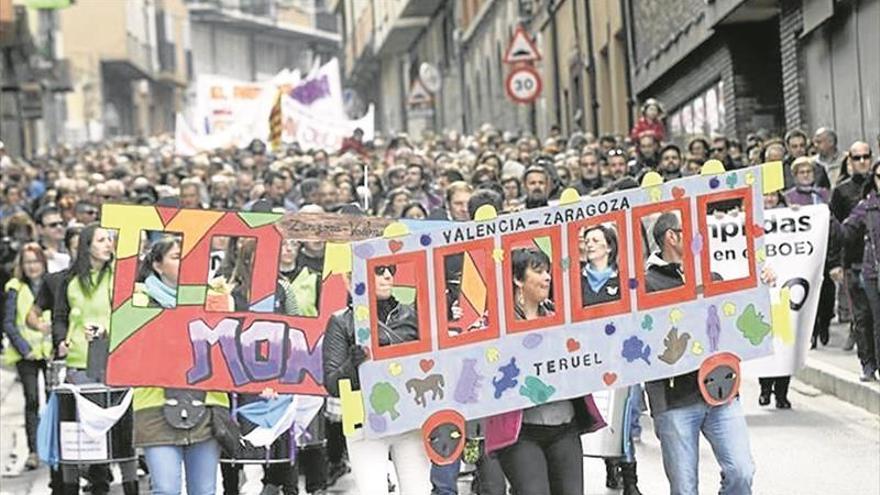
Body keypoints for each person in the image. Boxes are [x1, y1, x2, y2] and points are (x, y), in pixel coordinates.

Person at [644, 212, 776, 495]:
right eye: (692, 229)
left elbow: (740, 315)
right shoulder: (646, 284)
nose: (700, 236)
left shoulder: (711, 275)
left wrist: (761, 282)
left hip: (721, 392)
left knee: (742, 472)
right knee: (684, 488)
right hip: (674, 399)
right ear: (672, 236)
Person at [485, 247, 606, 495]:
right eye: (538, 271)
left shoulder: (562, 320)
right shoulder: (495, 326)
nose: (547, 277)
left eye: (548, 271)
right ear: (518, 280)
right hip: (520, 434)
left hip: (564, 426)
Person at [322, 263, 431, 494]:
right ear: (353, 279)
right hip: (364, 423)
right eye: (378, 270)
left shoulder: (412, 315)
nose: (388, 275)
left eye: (390, 269)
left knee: (418, 490)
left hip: (409, 419)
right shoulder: (341, 321)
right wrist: (354, 365)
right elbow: (332, 383)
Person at [132, 237, 227, 494]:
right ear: (157, 265)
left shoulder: (217, 297)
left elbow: (233, 347)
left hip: (207, 404)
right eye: (176, 257)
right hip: (154, 405)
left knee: (205, 490)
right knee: (165, 489)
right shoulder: (138, 300)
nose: (186, 262)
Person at [52, 223, 122, 494]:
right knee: (83, 424)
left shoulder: (117, 275)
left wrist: (108, 331)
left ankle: (102, 483)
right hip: (79, 359)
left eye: (110, 239)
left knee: (106, 419)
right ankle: (81, 481)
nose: (108, 244)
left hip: (109, 354)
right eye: (102, 240)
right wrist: (60, 340)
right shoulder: (68, 279)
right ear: (87, 246)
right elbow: (60, 316)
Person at [2, 242, 52, 470]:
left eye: (36, 261)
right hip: (26, 355)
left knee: (54, 401)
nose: (32, 267)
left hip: (50, 353)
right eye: (28, 262)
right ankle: (34, 450)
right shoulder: (15, 287)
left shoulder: (52, 284)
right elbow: (9, 322)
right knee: (32, 400)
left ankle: (54, 446)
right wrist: (25, 349)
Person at [831, 142, 874, 352]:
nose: (863, 161)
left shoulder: (875, 187)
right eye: (857, 158)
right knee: (861, 313)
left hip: (876, 258)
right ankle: (864, 354)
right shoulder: (842, 191)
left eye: (866, 156)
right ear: (850, 161)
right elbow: (836, 229)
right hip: (854, 259)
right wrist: (835, 263)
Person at [840, 157, 880, 382]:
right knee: (874, 320)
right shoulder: (866, 206)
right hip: (873, 273)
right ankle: (871, 363)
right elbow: (846, 232)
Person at [579, 225, 622, 306]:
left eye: (595, 241)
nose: (589, 245)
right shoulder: (576, 281)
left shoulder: (622, 279)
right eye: (587, 242)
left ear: (609, 247)